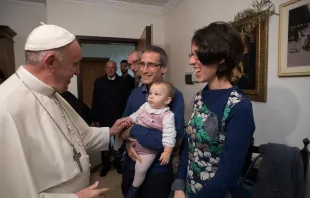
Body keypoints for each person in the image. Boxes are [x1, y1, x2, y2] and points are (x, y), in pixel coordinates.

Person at [0, 23, 126, 198]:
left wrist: (112, 132)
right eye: (75, 64)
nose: (78, 72)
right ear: (50, 62)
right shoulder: (5, 107)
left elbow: (80, 137)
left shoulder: (53, 92)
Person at [172, 22, 255, 198]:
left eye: (197, 55)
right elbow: (189, 144)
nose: (191, 61)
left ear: (221, 58)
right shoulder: (199, 97)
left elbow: (227, 177)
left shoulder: (239, 107)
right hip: (187, 190)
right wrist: (179, 185)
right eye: (191, 54)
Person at [120, 45, 185, 198]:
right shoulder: (135, 94)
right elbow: (122, 127)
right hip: (130, 164)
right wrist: (127, 143)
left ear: (163, 68)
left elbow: (173, 142)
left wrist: (134, 131)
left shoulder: (175, 96)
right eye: (142, 64)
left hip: (158, 171)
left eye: (151, 65)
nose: (144, 70)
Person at [114, 81, 177, 198]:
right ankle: (116, 149)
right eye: (151, 93)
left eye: (157, 94)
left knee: (141, 169)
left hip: (148, 150)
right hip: (133, 139)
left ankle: (134, 187)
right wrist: (128, 119)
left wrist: (167, 151)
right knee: (120, 126)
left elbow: (170, 134)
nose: (151, 96)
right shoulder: (145, 106)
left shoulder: (167, 115)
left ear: (167, 100)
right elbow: (135, 115)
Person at [92, 60, 128, 176]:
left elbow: (126, 101)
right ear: (105, 69)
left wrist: (125, 117)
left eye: (112, 67)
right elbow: (95, 100)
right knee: (105, 142)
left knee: (119, 141)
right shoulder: (98, 82)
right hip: (104, 116)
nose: (110, 70)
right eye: (108, 67)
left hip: (119, 116)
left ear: (116, 68)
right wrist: (95, 117)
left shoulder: (123, 82)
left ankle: (117, 163)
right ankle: (105, 165)